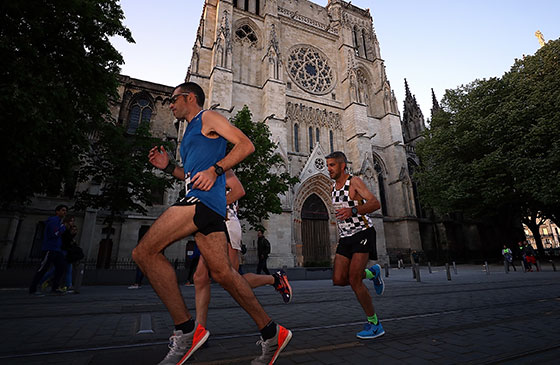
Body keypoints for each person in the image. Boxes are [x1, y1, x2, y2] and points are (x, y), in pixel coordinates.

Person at [133, 82, 291, 365]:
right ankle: (272, 333)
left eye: (173, 99)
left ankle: (186, 331)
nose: (170, 104)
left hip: (202, 203)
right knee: (224, 274)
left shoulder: (208, 118)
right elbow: (192, 176)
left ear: (189, 98)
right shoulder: (190, 131)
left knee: (143, 252)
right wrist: (169, 167)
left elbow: (246, 145)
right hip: (208, 206)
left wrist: (216, 169)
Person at [194, 170, 292, 340]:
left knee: (232, 281)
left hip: (225, 223)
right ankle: (199, 331)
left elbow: (238, 191)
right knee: (200, 277)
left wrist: (215, 204)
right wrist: (169, 168)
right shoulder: (200, 166)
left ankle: (275, 280)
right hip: (210, 224)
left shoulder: (221, 165)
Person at [326, 151, 385, 340]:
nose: (329, 169)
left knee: (354, 280)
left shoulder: (355, 182)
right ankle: (372, 273)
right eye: (328, 165)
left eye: (332, 165)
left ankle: (375, 323)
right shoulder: (333, 187)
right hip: (346, 237)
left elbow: (375, 203)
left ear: (343, 166)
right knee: (338, 279)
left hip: (363, 233)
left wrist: (353, 210)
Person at [29, 205, 69, 295]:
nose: (65, 212)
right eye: (63, 210)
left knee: (61, 266)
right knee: (43, 268)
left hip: (56, 249)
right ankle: (33, 288)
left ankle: (55, 287)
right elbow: (54, 234)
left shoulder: (59, 222)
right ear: (57, 211)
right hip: (49, 249)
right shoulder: (53, 220)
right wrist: (63, 228)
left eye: (66, 210)